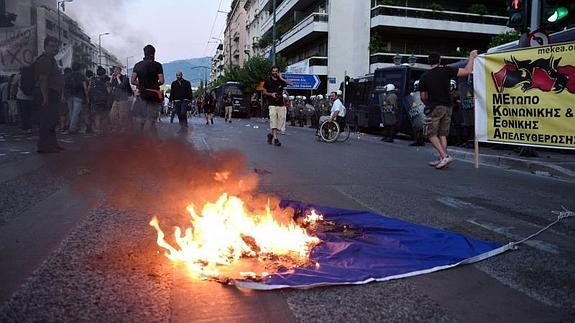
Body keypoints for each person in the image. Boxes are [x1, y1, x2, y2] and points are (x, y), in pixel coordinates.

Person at [419, 50, 478, 169]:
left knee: (431, 134)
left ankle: (444, 156)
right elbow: (467, 71)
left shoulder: (425, 76)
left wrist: (428, 104)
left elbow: (423, 96)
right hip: (448, 107)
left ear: (429, 62)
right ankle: (442, 158)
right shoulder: (446, 70)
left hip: (434, 107)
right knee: (442, 134)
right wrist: (471, 57)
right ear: (439, 60)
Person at [35, 36, 65, 153]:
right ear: (45, 46)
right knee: (46, 121)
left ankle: (52, 143)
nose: (55, 49)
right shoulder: (44, 60)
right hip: (48, 93)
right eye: (52, 46)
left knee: (52, 121)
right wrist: (45, 96)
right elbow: (43, 79)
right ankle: (44, 146)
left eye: (56, 46)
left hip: (53, 93)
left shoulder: (51, 60)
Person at [131, 44, 164, 135]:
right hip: (153, 95)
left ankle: (153, 139)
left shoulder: (137, 65)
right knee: (151, 118)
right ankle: (144, 138)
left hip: (142, 94)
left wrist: (141, 83)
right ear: (153, 54)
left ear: (144, 53)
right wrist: (154, 84)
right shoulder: (158, 65)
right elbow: (161, 81)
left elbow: (133, 81)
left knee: (142, 117)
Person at [263, 66, 293, 146]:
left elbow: (291, 83)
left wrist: (282, 78)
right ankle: (276, 139)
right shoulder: (268, 81)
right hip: (272, 104)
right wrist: (271, 94)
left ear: (278, 72)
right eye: (273, 71)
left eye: (276, 71)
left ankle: (271, 135)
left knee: (281, 121)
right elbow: (264, 92)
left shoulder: (281, 80)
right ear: (271, 72)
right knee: (273, 121)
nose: (274, 72)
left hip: (281, 104)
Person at [109, 66, 133, 133]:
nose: (115, 71)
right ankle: (115, 127)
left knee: (123, 115)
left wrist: (118, 78)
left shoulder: (125, 78)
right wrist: (112, 78)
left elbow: (122, 86)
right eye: (114, 70)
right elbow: (110, 85)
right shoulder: (114, 78)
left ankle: (123, 128)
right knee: (112, 114)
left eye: (116, 70)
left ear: (120, 71)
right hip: (116, 99)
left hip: (123, 99)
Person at [64, 63, 86, 134]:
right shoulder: (81, 76)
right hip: (79, 96)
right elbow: (85, 87)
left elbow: (64, 86)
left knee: (71, 112)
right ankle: (72, 128)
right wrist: (87, 96)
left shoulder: (68, 76)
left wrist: (63, 96)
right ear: (79, 68)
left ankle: (74, 127)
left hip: (69, 96)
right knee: (75, 113)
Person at [88, 66, 111, 135]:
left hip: (95, 100)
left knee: (97, 116)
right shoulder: (106, 81)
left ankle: (98, 131)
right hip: (104, 100)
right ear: (104, 73)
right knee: (104, 115)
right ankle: (104, 131)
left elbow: (89, 89)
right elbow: (109, 91)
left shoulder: (93, 80)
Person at [15, 69, 36, 133]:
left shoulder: (18, 76)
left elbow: (14, 85)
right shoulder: (33, 76)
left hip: (20, 97)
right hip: (31, 97)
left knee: (22, 114)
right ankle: (30, 128)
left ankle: (24, 128)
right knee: (29, 113)